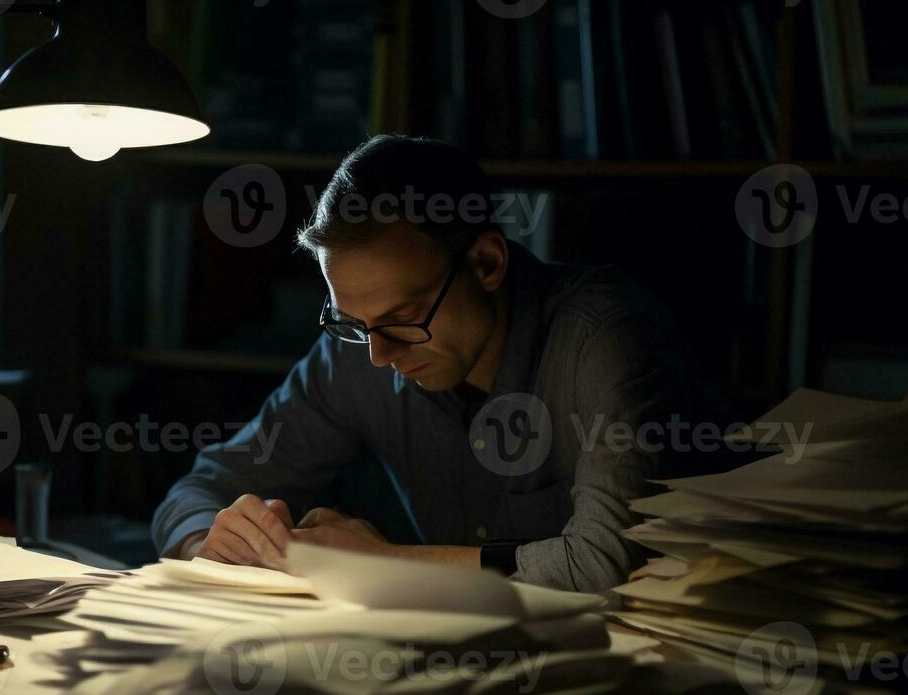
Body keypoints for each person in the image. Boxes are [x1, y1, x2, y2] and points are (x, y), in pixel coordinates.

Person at [152, 135, 693, 593]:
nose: (379, 356)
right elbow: (197, 490)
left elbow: (614, 561)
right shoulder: (359, 348)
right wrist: (214, 543)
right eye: (354, 323)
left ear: (487, 262)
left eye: (403, 318)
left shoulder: (604, 337)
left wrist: (383, 563)